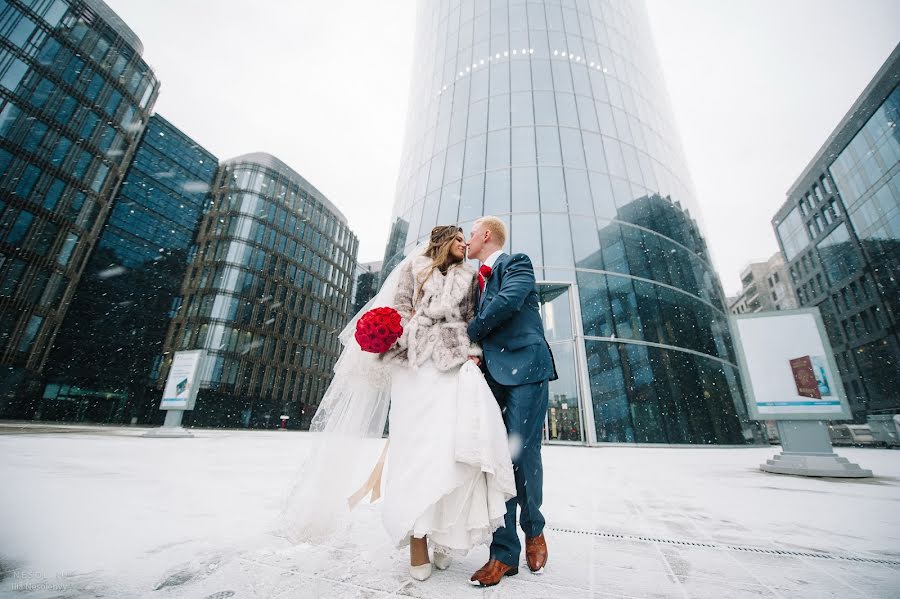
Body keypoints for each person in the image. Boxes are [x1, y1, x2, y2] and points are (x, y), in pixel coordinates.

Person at [279, 225, 515, 583]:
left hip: (452, 366)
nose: (464, 244)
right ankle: (416, 541)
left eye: (466, 239)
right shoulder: (414, 269)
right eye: (457, 239)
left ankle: (443, 540)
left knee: (448, 453)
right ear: (443, 241)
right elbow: (401, 311)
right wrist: (402, 337)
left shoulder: (470, 277)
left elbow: (470, 319)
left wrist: (472, 353)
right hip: (413, 367)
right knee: (413, 456)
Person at [465, 216, 557, 588]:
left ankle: (533, 529)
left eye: (471, 234)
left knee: (521, 452)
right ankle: (503, 554)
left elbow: (508, 302)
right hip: (490, 375)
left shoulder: (516, 263)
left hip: (526, 368)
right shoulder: (473, 284)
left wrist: (467, 335)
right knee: (494, 458)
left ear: (486, 235)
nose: (467, 240)